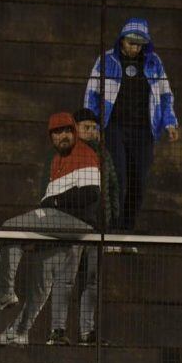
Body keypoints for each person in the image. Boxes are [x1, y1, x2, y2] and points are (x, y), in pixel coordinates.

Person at [0, 112, 101, 346]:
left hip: (75, 223)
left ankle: (4, 292)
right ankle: (19, 332)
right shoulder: (55, 160)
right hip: (57, 226)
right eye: (57, 132)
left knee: (8, 228)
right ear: (51, 137)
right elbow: (47, 200)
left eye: (67, 131)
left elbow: (91, 193)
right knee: (41, 279)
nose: (62, 136)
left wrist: (55, 203)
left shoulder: (85, 153)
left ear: (74, 132)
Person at [84, 18, 180, 231]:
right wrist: (93, 125)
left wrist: (169, 122)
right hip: (114, 127)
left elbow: (165, 95)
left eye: (139, 45)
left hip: (143, 131)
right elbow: (92, 93)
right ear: (121, 40)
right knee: (118, 178)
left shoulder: (153, 62)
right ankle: (113, 231)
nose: (134, 48)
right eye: (130, 43)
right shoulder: (106, 60)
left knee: (138, 183)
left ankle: (127, 231)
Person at [71, 108, 119, 345]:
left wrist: (112, 221)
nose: (91, 131)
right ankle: (57, 330)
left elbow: (112, 187)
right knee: (64, 279)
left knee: (92, 280)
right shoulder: (67, 152)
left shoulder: (104, 154)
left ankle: (86, 332)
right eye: (86, 127)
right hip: (72, 227)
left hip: (99, 227)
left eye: (94, 127)